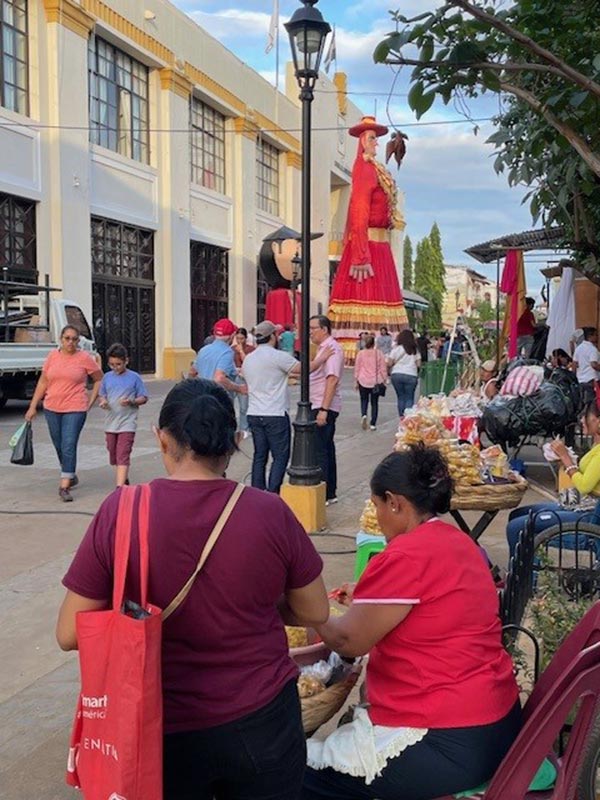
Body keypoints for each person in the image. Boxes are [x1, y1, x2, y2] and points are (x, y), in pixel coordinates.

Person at [56, 378, 329, 800]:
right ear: (235, 442)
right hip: (262, 721)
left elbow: (69, 633)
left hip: (159, 728)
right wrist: (255, 602)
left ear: (162, 439)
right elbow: (315, 611)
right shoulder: (270, 511)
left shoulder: (121, 511)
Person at [302, 445, 521, 800]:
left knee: (299, 773)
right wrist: (368, 599)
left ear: (395, 502)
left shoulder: (405, 555)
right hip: (496, 721)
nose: (377, 516)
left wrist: (309, 610)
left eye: (376, 505)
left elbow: (348, 642)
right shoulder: (459, 542)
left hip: (449, 738)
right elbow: (433, 608)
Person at [328, 115, 407, 365]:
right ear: (362, 141)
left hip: (379, 246)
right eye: (372, 138)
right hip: (370, 247)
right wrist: (361, 255)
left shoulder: (373, 168)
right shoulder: (364, 168)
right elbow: (359, 211)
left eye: (376, 138)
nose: (376, 143)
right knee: (370, 297)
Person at [242, 321, 333, 494]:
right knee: (280, 456)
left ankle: (257, 491)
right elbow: (304, 369)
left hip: (254, 412)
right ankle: (273, 491)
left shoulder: (249, 359)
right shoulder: (277, 356)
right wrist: (322, 357)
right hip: (274, 413)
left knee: (260, 455)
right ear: (273, 336)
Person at [506, 397, 600, 558]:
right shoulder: (596, 446)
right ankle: (526, 569)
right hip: (576, 505)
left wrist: (566, 458)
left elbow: (584, 486)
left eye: (586, 416)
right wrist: (564, 461)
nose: (582, 420)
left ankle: (526, 573)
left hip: (588, 515)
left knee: (516, 527)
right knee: (517, 515)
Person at [24, 325, 103, 502]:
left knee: (68, 444)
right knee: (59, 444)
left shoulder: (84, 358)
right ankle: (70, 474)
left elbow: (99, 378)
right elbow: (43, 382)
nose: (70, 342)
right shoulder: (52, 356)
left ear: (78, 341)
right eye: (67, 338)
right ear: (61, 339)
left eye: (74, 339)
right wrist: (32, 406)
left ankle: (64, 486)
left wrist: (91, 401)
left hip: (75, 408)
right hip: (52, 407)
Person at [98, 342, 148, 487]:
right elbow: (102, 394)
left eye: (118, 364)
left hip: (127, 423)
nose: (115, 368)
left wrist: (132, 401)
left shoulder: (134, 377)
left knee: (123, 453)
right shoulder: (107, 377)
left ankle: (119, 488)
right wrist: (103, 401)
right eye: (112, 365)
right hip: (110, 423)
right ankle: (123, 478)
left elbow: (144, 397)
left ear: (126, 361)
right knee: (113, 453)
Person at [309, 315, 345, 506]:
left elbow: (332, 379)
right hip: (319, 403)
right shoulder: (323, 349)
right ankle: (330, 491)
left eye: (313, 328)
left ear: (324, 329)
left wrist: (324, 409)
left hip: (323, 405)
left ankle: (324, 491)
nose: (310, 332)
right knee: (326, 448)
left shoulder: (332, 349)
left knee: (320, 450)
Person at [194, 318, 247, 401]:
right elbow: (219, 378)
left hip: (202, 397)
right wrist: (239, 388)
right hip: (219, 401)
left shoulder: (203, 350)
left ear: (215, 334)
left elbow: (192, 372)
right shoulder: (227, 352)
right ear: (232, 335)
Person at [354, 334, 387, 431]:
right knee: (374, 402)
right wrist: (384, 379)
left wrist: (356, 380)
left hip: (363, 380)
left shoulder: (361, 353)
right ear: (374, 343)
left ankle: (364, 414)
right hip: (375, 381)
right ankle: (373, 423)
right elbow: (383, 368)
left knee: (364, 400)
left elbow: (357, 368)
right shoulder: (378, 353)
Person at [387, 329, 421, 416]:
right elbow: (418, 364)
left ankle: (401, 417)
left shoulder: (396, 349)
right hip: (411, 374)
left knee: (400, 397)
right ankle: (408, 417)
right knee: (409, 398)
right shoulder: (415, 350)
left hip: (397, 374)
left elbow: (389, 363)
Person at [232, 327, 255, 437]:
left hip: (244, 378)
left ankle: (244, 428)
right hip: (233, 377)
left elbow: (248, 363)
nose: (239, 341)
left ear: (246, 338)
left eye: (242, 338)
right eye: (238, 338)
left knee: (243, 406)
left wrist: (241, 351)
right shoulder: (232, 349)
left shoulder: (251, 349)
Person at [573, 326, 600, 407]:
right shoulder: (592, 349)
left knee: (584, 403)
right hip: (592, 380)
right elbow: (594, 364)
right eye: (596, 335)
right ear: (590, 336)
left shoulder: (578, 348)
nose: (597, 337)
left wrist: (574, 376)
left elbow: (574, 364)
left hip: (581, 380)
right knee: (593, 403)